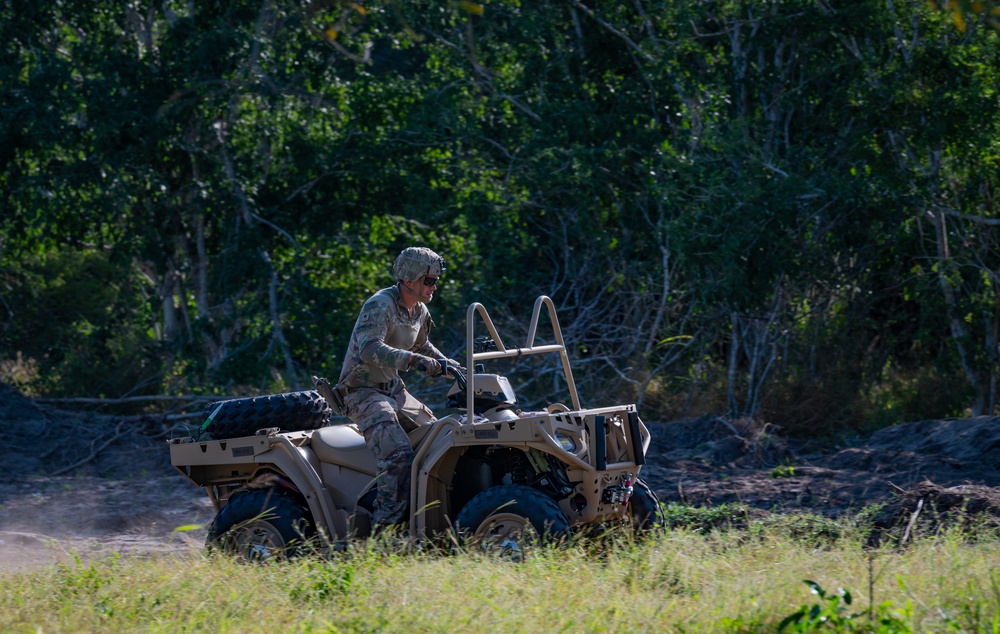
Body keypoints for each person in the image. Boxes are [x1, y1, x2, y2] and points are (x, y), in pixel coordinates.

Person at [337, 246, 456, 531]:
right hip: (361, 392)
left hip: (392, 389)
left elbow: (421, 345)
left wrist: (450, 365)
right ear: (410, 279)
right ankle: (385, 533)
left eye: (436, 280)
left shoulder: (418, 309)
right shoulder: (380, 305)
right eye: (429, 280)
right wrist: (415, 361)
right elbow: (369, 349)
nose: (434, 286)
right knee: (398, 455)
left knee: (439, 439)